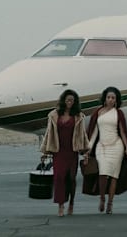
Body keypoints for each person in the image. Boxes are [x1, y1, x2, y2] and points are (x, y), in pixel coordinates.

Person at [83, 86, 127, 214]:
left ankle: (110, 203)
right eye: (108, 97)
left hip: (116, 146)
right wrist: (88, 149)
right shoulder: (98, 112)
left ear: (116, 100)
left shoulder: (118, 113)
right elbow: (93, 133)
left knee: (114, 176)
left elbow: (123, 132)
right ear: (104, 98)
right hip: (101, 147)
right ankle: (102, 197)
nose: (110, 99)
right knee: (103, 173)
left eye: (113, 98)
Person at [40, 89, 90, 217]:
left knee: (71, 179)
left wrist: (85, 151)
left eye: (72, 101)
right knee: (59, 178)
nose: (70, 103)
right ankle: (61, 205)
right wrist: (45, 151)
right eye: (68, 100)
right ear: (63, 101)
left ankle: (71, 202)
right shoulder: (54, 115)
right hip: (58, 151)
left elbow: (83, 134)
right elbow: (48, 134)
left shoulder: (78, 116)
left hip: (72, 151)